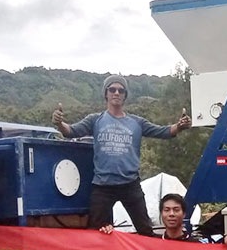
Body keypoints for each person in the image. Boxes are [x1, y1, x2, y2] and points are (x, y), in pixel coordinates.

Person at [52, 75, 191, 235]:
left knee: (146, 231)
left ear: (125, 95)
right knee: (98, 232)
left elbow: (163, 131)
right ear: (106, 93)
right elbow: (71, 131)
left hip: (130, 184)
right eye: (112, 89)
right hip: (103, 185)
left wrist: (180, 126)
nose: (116, 93)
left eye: (121, 90)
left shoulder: (137, 122)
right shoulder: (95, 120)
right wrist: (59, 124)